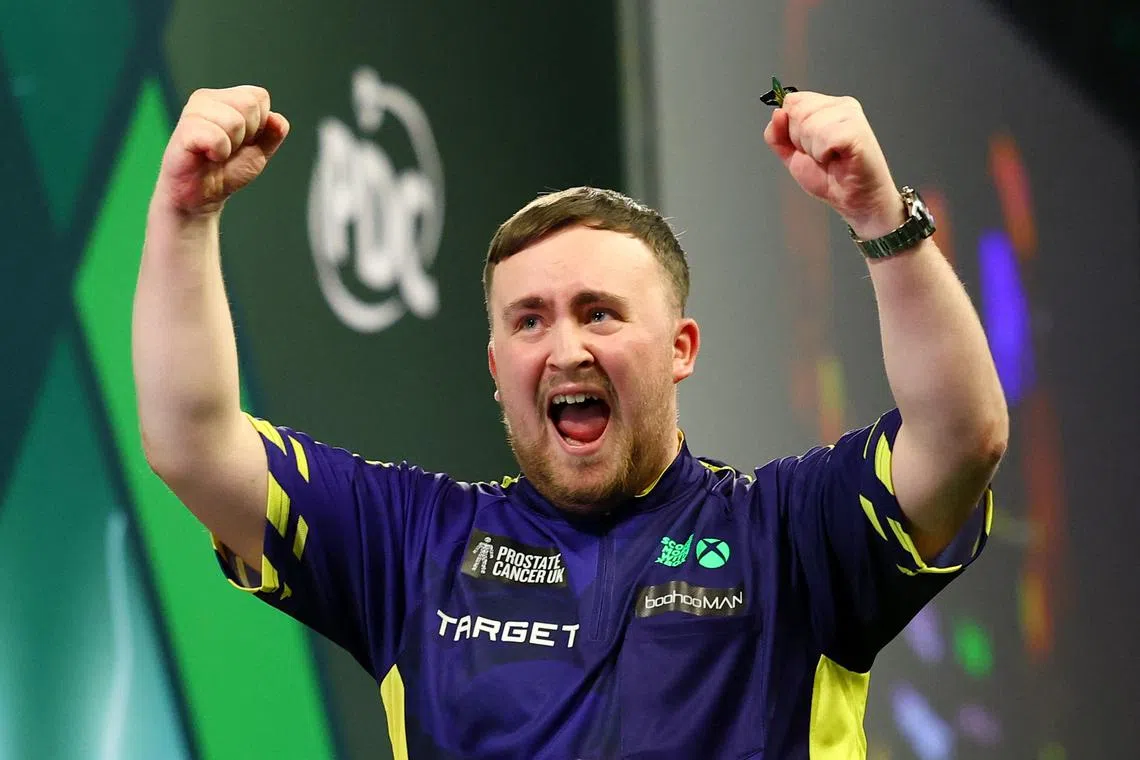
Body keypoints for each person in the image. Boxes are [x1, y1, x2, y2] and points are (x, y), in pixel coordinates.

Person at [133, 85, 1008, 759]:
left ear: (680, 348)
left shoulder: (789, 535)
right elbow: (191, 442)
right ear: (494, 367)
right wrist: (183, 212)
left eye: (599, 313)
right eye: (529, 320)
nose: (564, 349)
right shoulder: (410, 546)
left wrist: (880, 218)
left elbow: (961, 435)